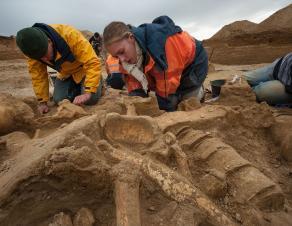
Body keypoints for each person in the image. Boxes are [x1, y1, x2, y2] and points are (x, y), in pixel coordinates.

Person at [103, 16, 208, 111]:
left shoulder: (161, 45)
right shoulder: (126, 55)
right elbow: (132, 82)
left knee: (182, 102)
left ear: (131, 38)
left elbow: (167, 91)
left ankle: (199, 92)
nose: (122, 60)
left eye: (121, 52)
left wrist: (164, 108)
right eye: (116, 56)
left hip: (193, 64)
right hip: (166, 68)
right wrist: (138, 97)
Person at [16, 23, 103, 114]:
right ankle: (78, 87)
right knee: (58, 100)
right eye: (40, 58)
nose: (45, 59)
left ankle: (98, 80)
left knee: (91, 99)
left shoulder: (70, 35)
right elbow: (38, 75)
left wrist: (88, 92)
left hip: (84, 70)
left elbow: (92, 62)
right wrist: (42, 102)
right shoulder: (33, 52)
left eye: (45, 54)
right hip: (65, 74)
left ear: (49, 41)